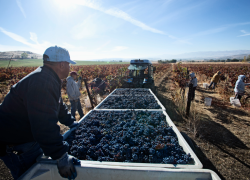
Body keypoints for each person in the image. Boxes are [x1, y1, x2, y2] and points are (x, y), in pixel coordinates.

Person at [0, 46, 80, 180]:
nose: (69, 67)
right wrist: (61, 155)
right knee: (32, 176)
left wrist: (71, 122)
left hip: (25, 137)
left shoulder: (47, 77)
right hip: (17, 143)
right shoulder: (42, 82)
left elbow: (58, 105)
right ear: (61, 64)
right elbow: (43, 124)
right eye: (68, 64)